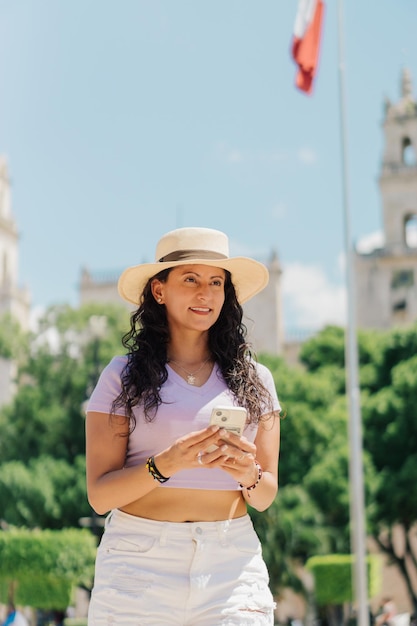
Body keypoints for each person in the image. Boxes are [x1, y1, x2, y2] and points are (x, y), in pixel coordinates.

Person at [85, 226, 282, 625]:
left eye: (215, 282)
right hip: (138, 565)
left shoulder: (256, 380)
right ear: (159, 291)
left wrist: (248, 475)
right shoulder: (120, 377)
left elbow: (264, 496)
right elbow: (100, 496)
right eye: (190, 279)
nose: (204, 293)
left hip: (231, 564)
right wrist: (165, 465)